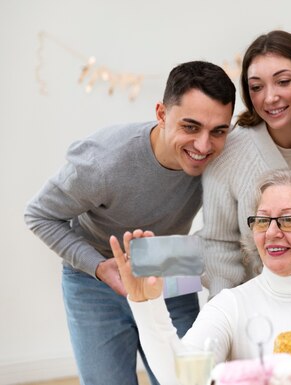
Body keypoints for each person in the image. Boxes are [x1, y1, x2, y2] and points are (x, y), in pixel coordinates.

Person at [24, 61, 236, 385]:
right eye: (190, 127)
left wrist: (184, 257)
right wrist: (98, 266)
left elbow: (232, 224)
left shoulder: (222, 157)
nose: (204, 145)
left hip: (166, 269)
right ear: (162, 114)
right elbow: (39, 214)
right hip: (95, 280)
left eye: (218, 130)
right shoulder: (102, 162)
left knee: (187, 380)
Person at [109, 168, 291, 384]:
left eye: (289, 220)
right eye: (263, 220)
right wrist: (146, 304)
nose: (272, 232)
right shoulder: (233, 304)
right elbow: (181, 378)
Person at [197, 30, 291, 296]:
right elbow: (218, 244)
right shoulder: (229, 151)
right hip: (257, 308)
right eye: (257, 87)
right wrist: (222, 312)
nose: (269, 98)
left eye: (282, 81)